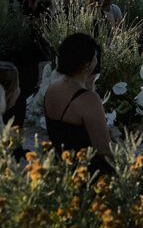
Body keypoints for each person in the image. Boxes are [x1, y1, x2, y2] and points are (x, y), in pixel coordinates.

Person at [43, 33, 113, 173]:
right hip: (85, 172)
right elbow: (104, 151)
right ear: (86, 64)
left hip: (60, 165)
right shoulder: (89, 99)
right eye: (95, 55)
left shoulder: (52, 88)